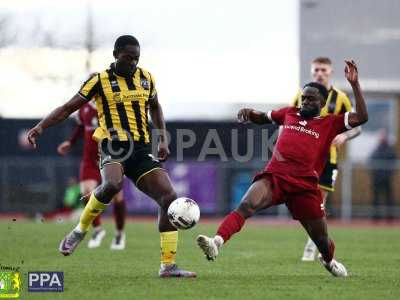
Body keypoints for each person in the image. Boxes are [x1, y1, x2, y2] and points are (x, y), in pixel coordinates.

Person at [27, 35, 195, 278]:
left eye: (137, 59)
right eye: (128, 58)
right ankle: (80, 230)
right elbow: (66, 108)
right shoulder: (99, 81)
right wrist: (40, 127)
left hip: (140, 148)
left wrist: (163, 139)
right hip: (113, 146)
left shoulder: (146, 78)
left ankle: (168, 266)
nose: (133, 63)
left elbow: (156, 107)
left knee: (169, 196)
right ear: (116, 55)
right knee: (113, 185)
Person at [197, 60, 368, 277]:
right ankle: (217, 242)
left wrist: (355, 85)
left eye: (310, 99)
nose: (304, 102)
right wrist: (250, 113)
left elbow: (362, 117)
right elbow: (265, 118)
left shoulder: (330, 123)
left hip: (305, 186)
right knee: (246, 205)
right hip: (275, 176)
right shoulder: (290, 112)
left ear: (322, 103)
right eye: (303, 97)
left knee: (322, 240)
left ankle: (329, 260)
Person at [292, 57, 361, 261]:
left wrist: (344, 135)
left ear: (330, 72)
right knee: (303, 202)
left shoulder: (340, 98)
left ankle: (312, 244)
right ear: (312, 72)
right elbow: (288, 120)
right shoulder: (301, 95)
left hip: (327, 158)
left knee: (319, 202)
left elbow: (357, 125)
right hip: (305, 159)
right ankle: (314, 239)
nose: (319, 73)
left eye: (323, 69)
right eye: (316, 70)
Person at [57, 100, 127, 250]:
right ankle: (98, 230)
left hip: (111, 158)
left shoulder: (113, 105)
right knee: (86, 194)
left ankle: (119, 233)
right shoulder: (84, 107)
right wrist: (70, 142)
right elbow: (81, 126)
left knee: (117, 196)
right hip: (90, 159)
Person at [369, 129, 397, 220]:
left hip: (386, 178)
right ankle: (376, 216)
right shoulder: (376, 149)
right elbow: (371, 160)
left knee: (389, 198)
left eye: (382, 136)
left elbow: (393, 161)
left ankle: (390, 216)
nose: (381, 137)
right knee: (376, 198)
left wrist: (388, 174)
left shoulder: (389, 149)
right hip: (377, 179)